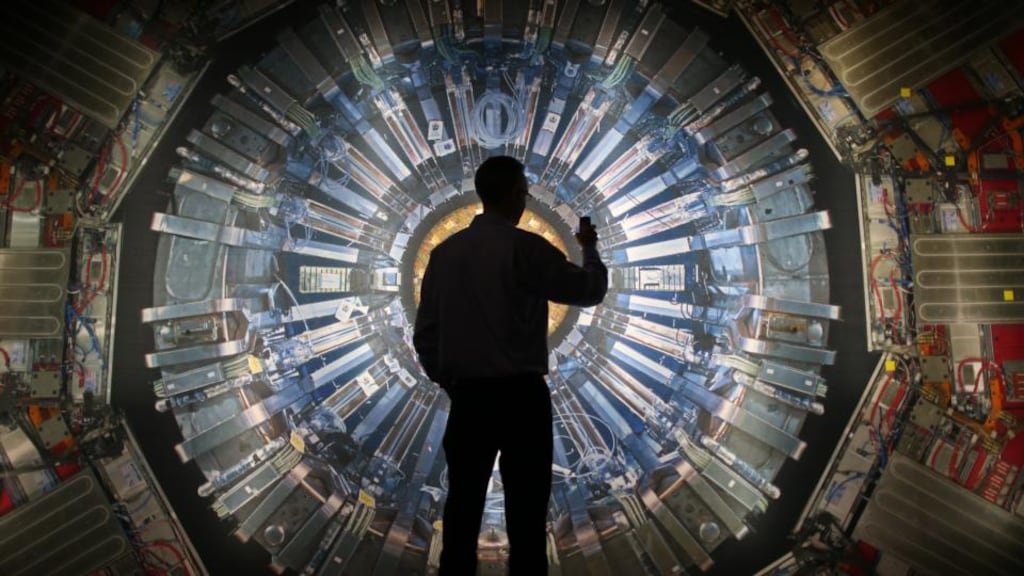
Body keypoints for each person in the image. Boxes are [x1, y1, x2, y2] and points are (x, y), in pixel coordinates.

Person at [413, 156, 608, 575]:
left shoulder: (444, 255)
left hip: (469, 399)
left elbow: (426, 336)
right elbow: (589, 290)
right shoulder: (526, 249)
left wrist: (452, 382)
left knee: (462, 511)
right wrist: (589, 247)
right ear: (517, 196)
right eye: (524, 191)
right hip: (522, 398)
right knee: (526, 515)